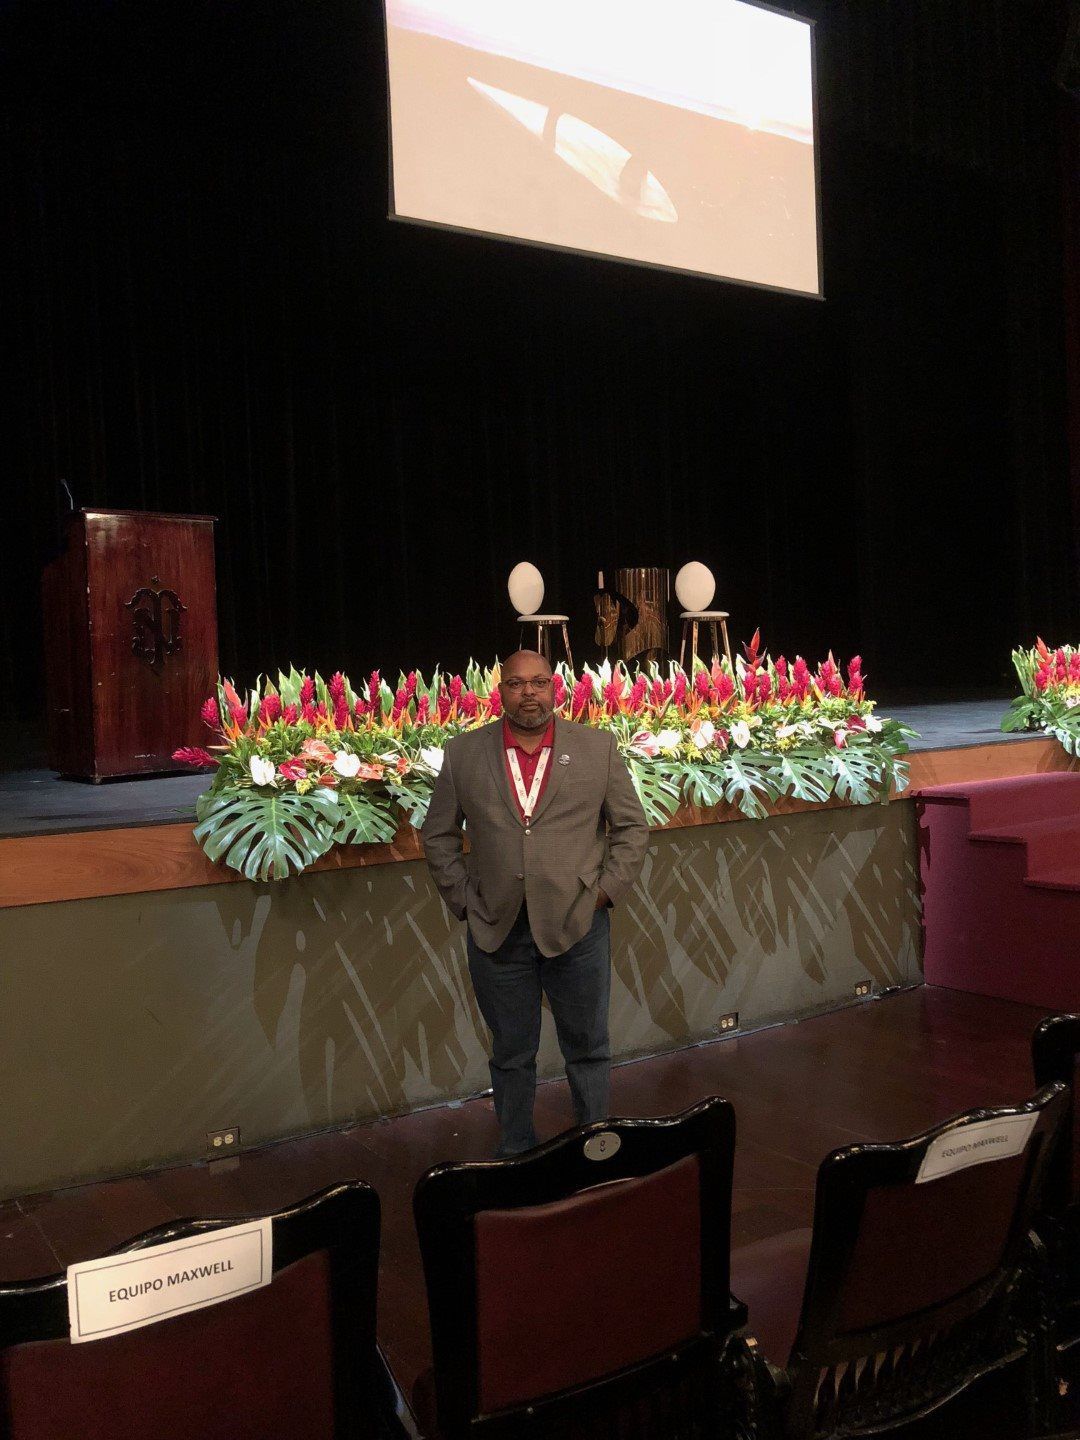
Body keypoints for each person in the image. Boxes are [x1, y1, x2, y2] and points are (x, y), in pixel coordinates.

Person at [422, 650, 649, 1156]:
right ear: (499, 691)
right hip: (496, 930)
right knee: (511, 1053)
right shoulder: (463, 754)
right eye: (517, 684)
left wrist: (605, 892)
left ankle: (597, 1147)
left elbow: (631, 828)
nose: (529, 693)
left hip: (578, 925)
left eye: (540, 682)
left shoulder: (597, 749)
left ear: (555, 688)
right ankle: (517, 1152)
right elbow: (437, 836)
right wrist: (464, 901)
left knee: (588, 1048)